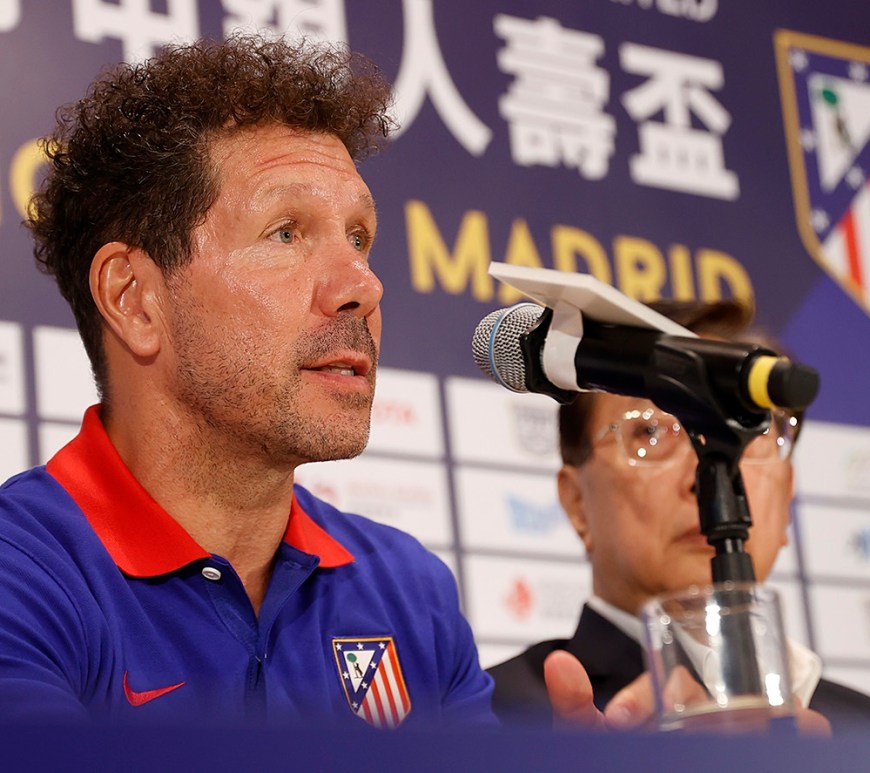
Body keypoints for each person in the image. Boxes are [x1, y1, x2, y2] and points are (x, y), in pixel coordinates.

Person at [487, 299, 870, 734]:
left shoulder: (858, 729)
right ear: (576, 502)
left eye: (746, 430)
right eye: (650, 432)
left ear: (787, 494)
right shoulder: (494, 721)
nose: (702, 477)